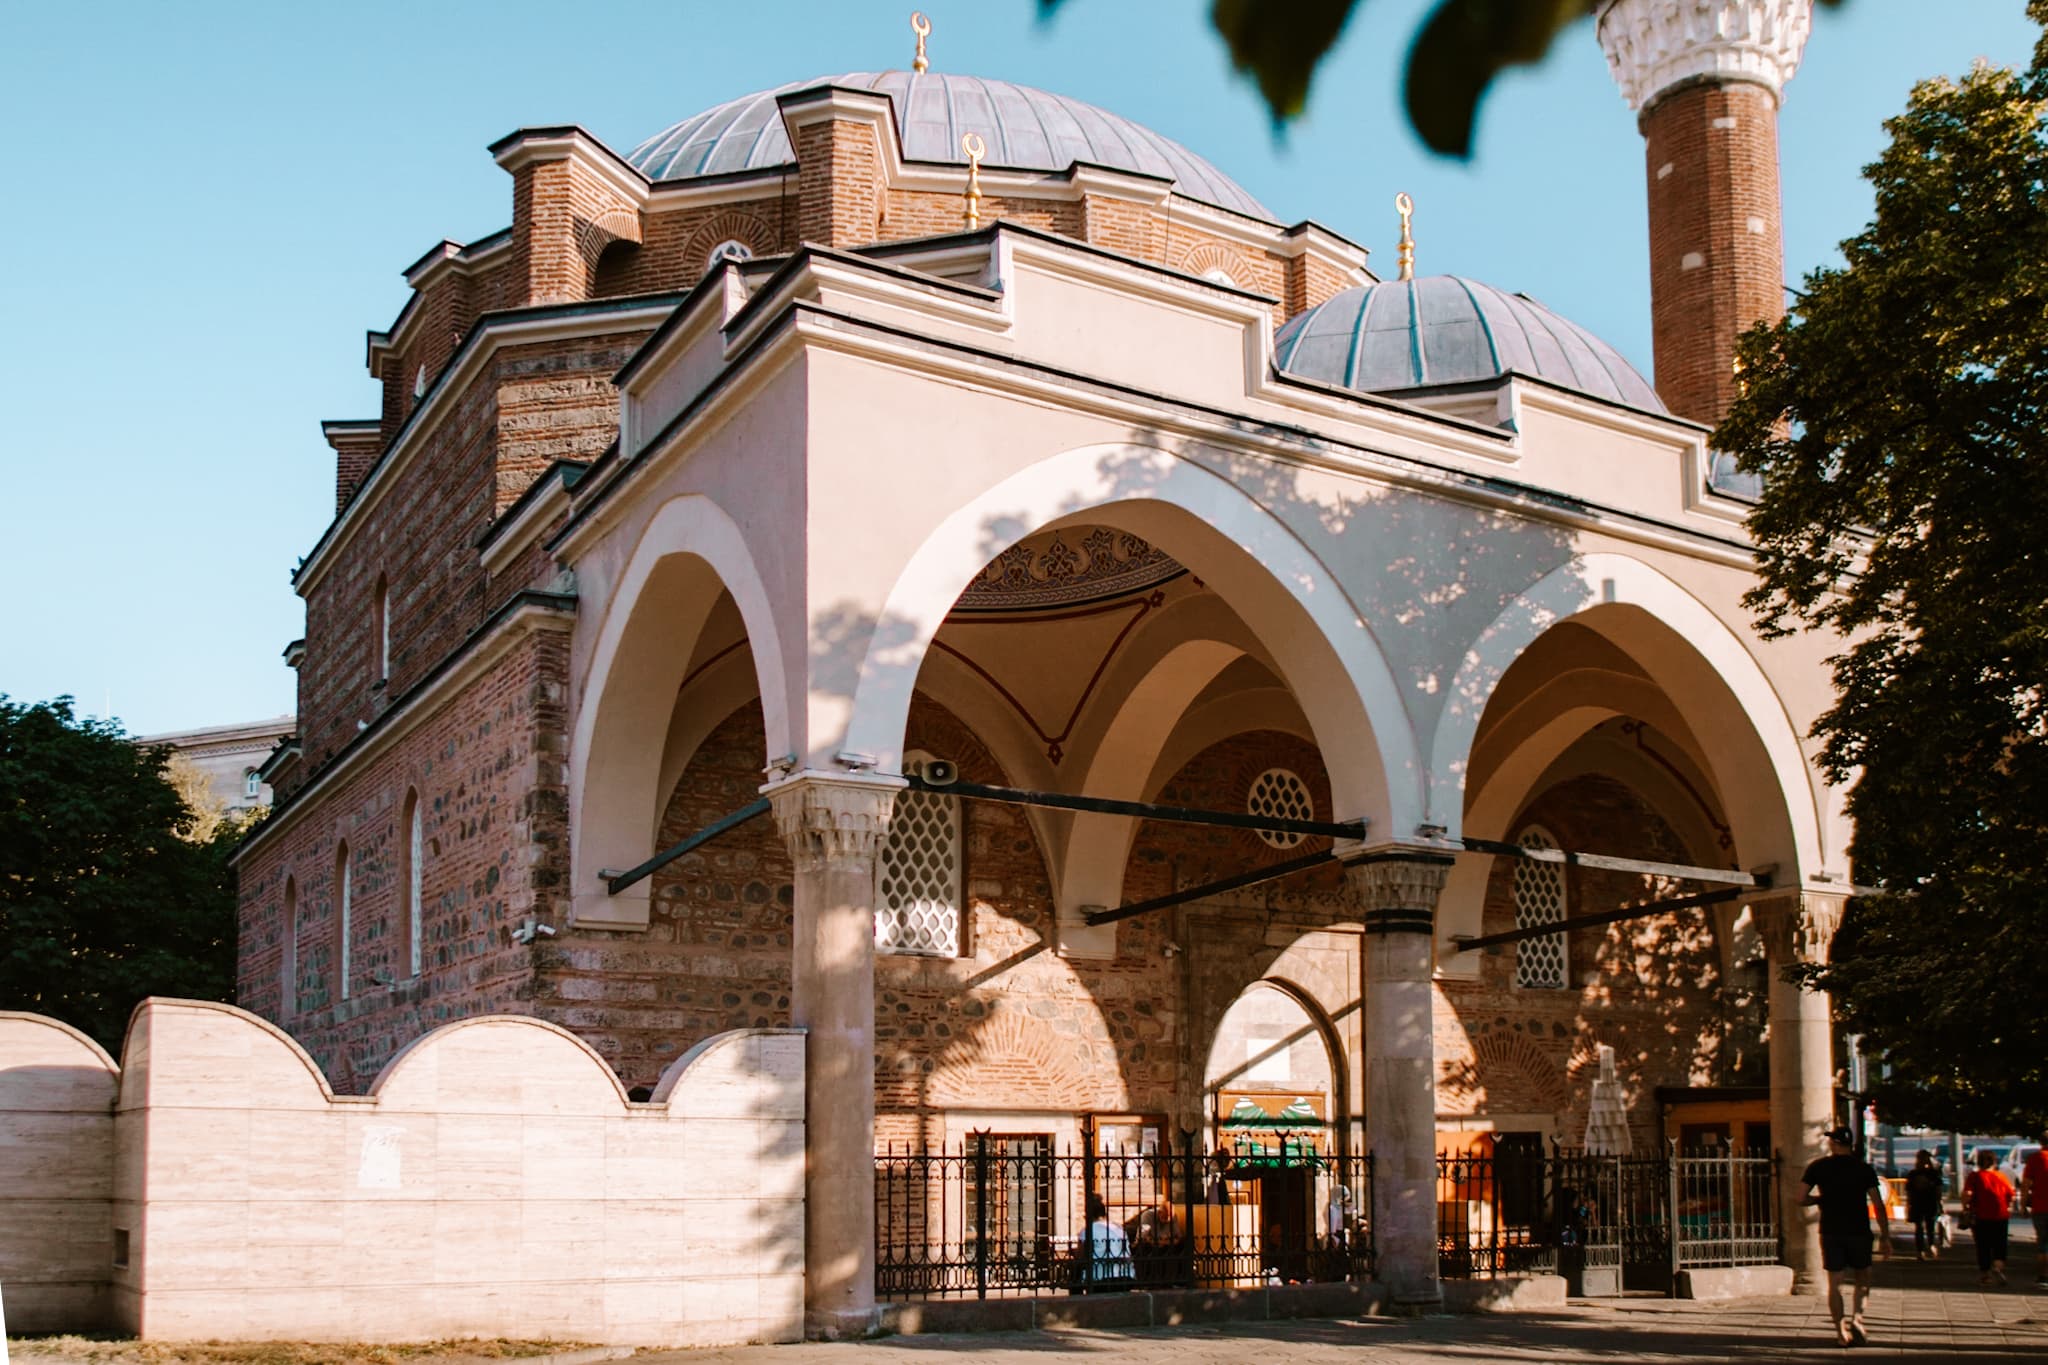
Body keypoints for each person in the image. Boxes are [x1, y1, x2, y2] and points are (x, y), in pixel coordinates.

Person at [1801, 1126, 1891, 1347]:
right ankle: (1857, 1318)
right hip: (1859, 1230)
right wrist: (1885, 1235)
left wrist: (1820, 1200)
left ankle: (1840, 1330)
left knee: (1835, 1283)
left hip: (1831, 1230)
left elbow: (1800, 1198)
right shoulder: (1864, 1169)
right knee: (1863, 1278)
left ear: (1834, 1144)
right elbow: (1878, 1204)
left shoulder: (1818, 1167)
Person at [1964, 1147, 2017, 1287]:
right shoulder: (2001, 1176)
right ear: (1994, 1162)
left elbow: (1968, 1194)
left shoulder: (1975, 1176)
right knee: (2000, 1244)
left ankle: (1985, 1274)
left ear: (1979, 1162)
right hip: (2001, 1216)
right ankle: (1998, 1266)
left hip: (1981, 1216)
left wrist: (1965, 1207)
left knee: (1983, 1245)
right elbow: (2010, 1194)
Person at [1082, 1193, 1134, 1291]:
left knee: (1074, 1269)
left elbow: (1081, 1255)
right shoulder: (1118, 1228)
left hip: (1099, 1277)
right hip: (1124, 1275)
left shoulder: (1088, 1230)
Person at [1903, 1149, 1945, 1261]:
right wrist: (1940, 1203)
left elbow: (1909, 1191)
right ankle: (1931, 1246)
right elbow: (1939, 1190)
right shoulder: (1933, 1174)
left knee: (1919, 1228)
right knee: (1930, 1227)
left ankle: (1920, 1251)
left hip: (1917, 1203)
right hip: (1930, 1202)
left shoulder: (1913, 1174)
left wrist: (1908, 1204)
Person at [2022, 1131, 2048, 1291]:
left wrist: (2023, 1204)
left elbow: (2025, 1184)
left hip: (2040, 1207)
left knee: (2043, 1243)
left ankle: (2043, 1276)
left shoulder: (2035, 1159)